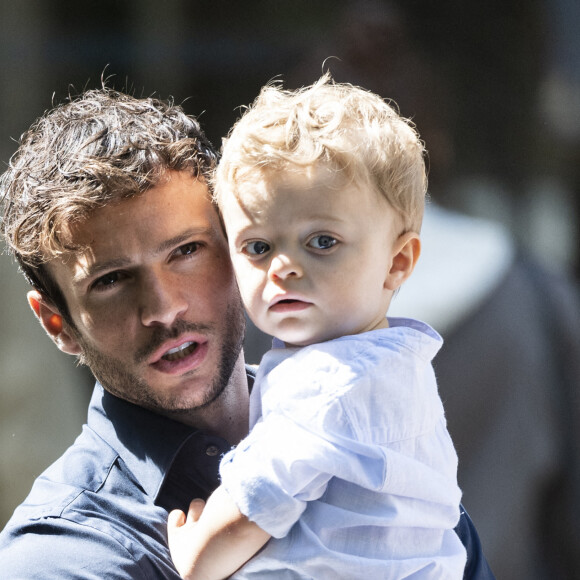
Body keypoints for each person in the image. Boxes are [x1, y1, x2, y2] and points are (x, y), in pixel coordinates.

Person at [0, 87, 494, 579]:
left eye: (187, 251)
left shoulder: (376, 445)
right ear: (56, 323)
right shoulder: (61, 557)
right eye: (111, 280)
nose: (164, 307)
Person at [167, 76, 467, 579]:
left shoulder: (327, 383)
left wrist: (192, 553)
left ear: (397, 262)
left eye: (322, 242)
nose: (282, 267)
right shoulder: (398, 366)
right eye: (258, 247)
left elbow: (250, 506)